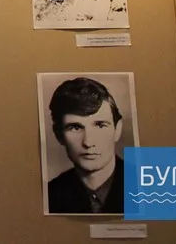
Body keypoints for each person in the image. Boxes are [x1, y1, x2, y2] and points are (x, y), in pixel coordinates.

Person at [46, 77, 126, 214]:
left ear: (117, 130)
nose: (88, 142)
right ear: (59, 135)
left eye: (100, 125)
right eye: (75, 128)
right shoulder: (49, 196)